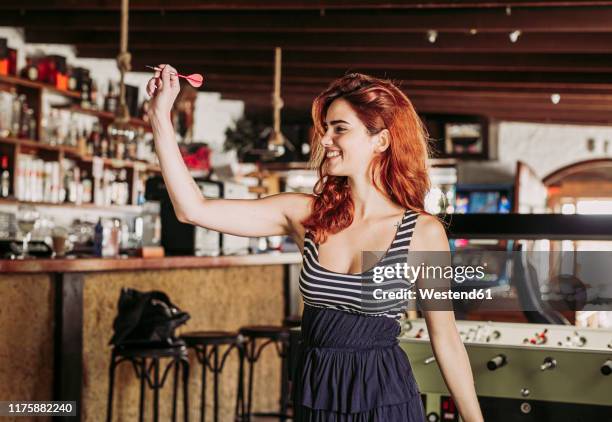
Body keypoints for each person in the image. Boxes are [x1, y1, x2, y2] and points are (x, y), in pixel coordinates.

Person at [146, 65, 484, 422]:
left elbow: (445, 338)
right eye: (325, 129)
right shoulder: (305, 214)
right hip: (316, 395)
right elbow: (191, 210)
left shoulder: (422, 232)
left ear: (380, 141)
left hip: (386, 399)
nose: (324, 140)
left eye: (340, 129)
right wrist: (159, 117)